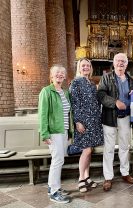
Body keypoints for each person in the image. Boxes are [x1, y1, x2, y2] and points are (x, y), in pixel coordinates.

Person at [98, 53, 133, 191]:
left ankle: (125, 173)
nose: (120, 63)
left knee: (124, 147)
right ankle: (108, 177)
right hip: (110, 118)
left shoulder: (130, 80)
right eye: (118, 61)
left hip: (125, 118)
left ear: (126, 64)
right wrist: (115, 102)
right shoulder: (106, 78)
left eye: (123, 61)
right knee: (108, 148)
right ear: (113, 63)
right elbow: (101, 95)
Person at [38, 65, 72, 204]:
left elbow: (68, 113)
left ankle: (52, 187)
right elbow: (42, 114)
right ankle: (54, 192)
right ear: (51, 75)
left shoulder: (65, 92)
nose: (59, 75)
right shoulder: (46, 91)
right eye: (56, 73)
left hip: (63, 131)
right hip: (54, 132)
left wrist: (69, 131)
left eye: (62, 73)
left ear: (64, 76)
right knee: (57, 160)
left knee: (59, 160)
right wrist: (44, 133)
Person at [70, 58, 104, 193]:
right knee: (86, 150)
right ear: (79, 67)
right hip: (83, 122)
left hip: (94, 120)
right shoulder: (76, 82)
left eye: (88, 66)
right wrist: (78, 121)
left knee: (90, 151)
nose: (86, 67)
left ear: (91, 68)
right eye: (83, 65)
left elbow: (96, 102)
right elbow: (74, 103)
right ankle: (81, 179)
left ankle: (87, 176)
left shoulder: (91, 83)